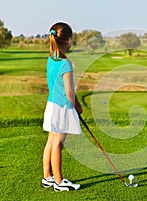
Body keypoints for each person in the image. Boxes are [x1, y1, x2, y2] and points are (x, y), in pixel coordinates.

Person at [41, 22, 82, 192]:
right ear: (69, 40)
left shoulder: (51, 58)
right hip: (62, 108)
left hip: (51, 105)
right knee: (58, 144)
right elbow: (70, 93)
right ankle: (59, 182)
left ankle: (47, 177)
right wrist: (78, 107)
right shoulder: (66, 63)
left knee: (51, 142)